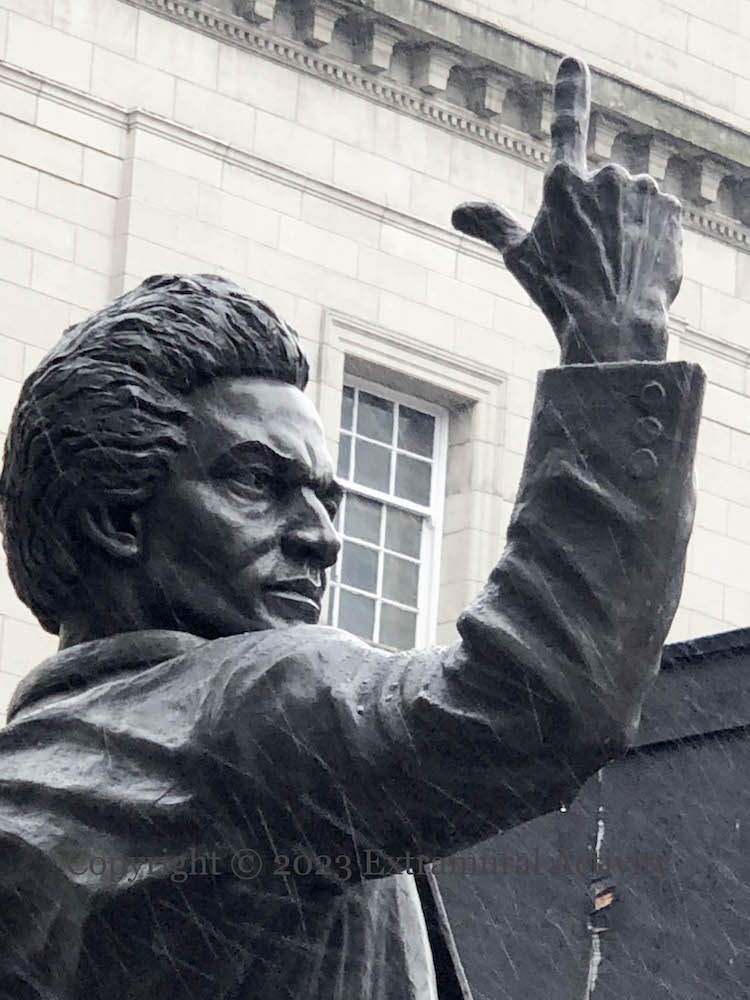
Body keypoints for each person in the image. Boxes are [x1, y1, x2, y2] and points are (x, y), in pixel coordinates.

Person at [0, 58, 704, 999]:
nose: (323, 538)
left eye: (330, 500)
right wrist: (614, 344)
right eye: (258, 483)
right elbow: (534, 701)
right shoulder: (244, 710)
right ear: (116, 517)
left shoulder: (40, 781)